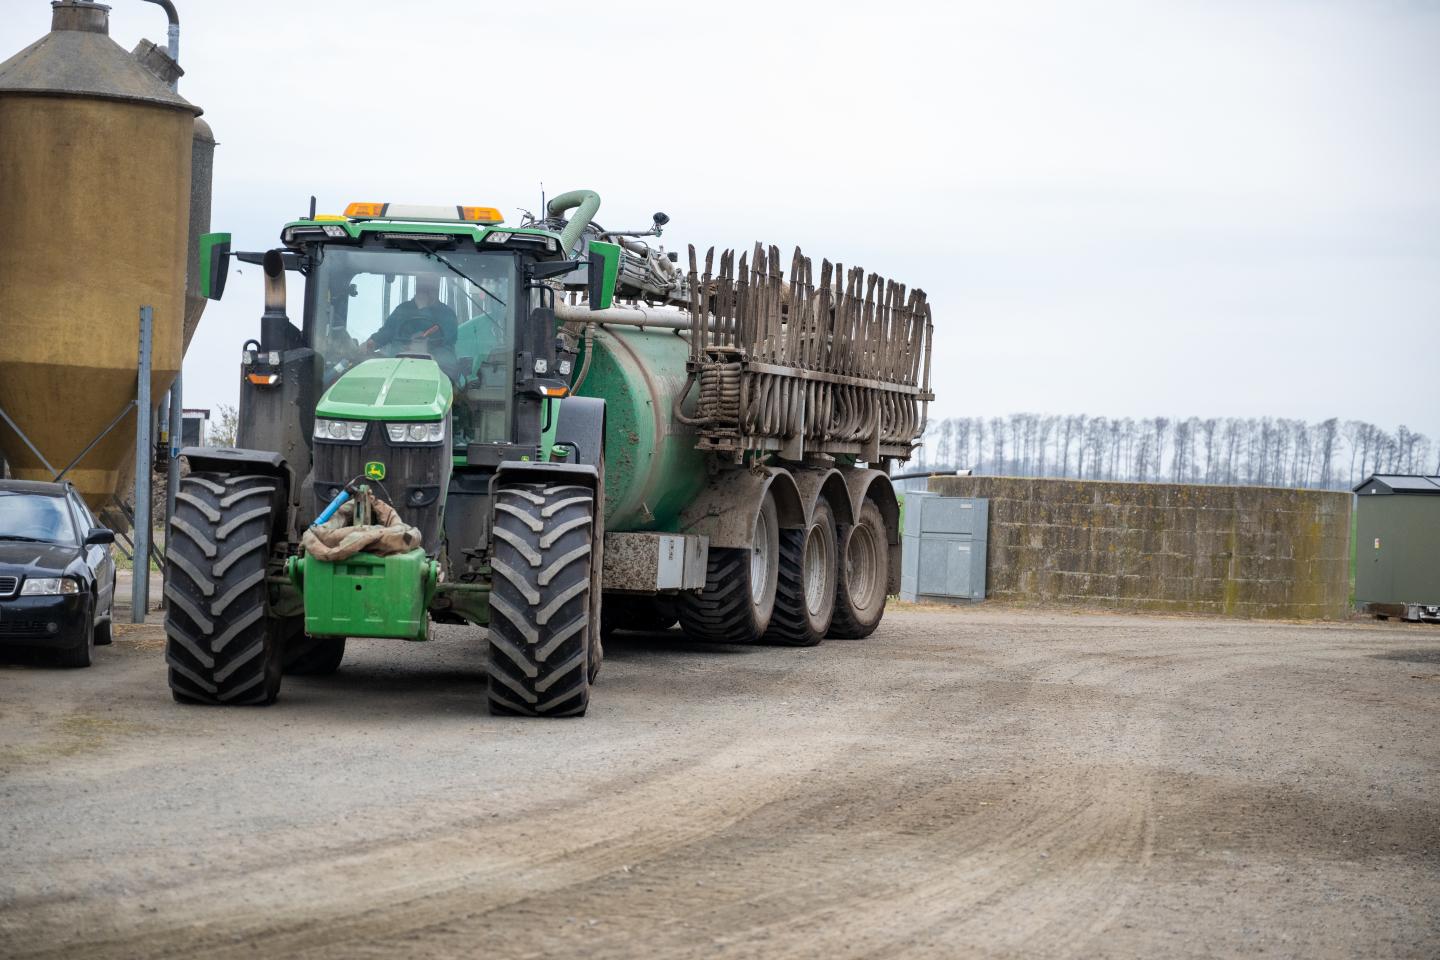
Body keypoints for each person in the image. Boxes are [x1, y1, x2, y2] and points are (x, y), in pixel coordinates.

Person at [364, 274, 458, 354]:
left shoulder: (447, 314)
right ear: (417, 285)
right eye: (422, 285)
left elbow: (446, 341)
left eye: (430, 286)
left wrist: (423, 308)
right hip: (399, 362)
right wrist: (373, 342)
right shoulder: (402, 310)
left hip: (438, 366)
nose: (425, 289)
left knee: (447, 358)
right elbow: (387, 331)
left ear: (437, 286)